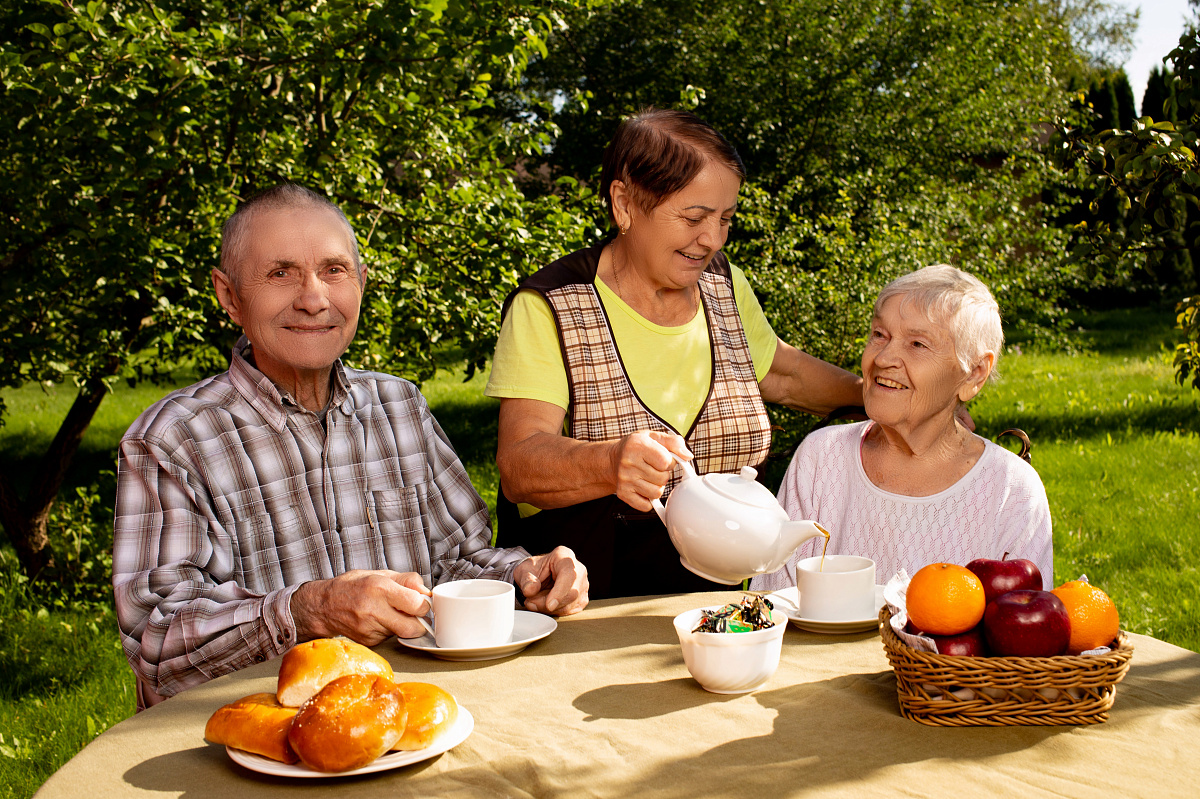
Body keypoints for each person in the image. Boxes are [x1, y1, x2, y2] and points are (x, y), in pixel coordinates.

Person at [113, 185, 589, 710]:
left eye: (334, 271)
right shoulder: (173, 439)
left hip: (405, 714)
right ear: (229, 296)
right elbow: (157, 638)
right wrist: (308, 611)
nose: (314, 298)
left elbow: (458, 560)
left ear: (361, 283)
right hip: (255, 744)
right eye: (281, 273)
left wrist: (523, 576)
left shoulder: (398, 404)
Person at [486, 108, 865, 599]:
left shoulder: (722, 285)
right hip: (577, 617)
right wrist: (607, 463)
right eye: (694, 217)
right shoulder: (551, 305)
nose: (712, 239)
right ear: (624, 203)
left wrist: (883, 397)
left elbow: (785, 374)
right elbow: (518, 465)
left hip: (715, 614)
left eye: (726, 218)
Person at [751, 265, 1053, 593]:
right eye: (880, 334)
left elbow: (1022, 626)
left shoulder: (1010, 488)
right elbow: (771, 605)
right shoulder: (821, 458)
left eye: (917, 345)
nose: (884, 358)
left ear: (974, 375)